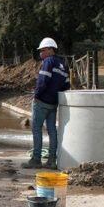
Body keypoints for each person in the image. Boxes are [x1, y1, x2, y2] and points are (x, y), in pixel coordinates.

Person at [24, 37, 70, 169]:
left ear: (50, 50)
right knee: (52, 131)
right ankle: (51, 161)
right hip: (53, 103)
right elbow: (66, 86)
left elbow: (42, 81)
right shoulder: (63, 65)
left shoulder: (48, 61)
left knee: (36, 129)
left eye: (42, 50)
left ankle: (36, 159)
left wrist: (36, 96)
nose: (40, 53)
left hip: (42, 102)